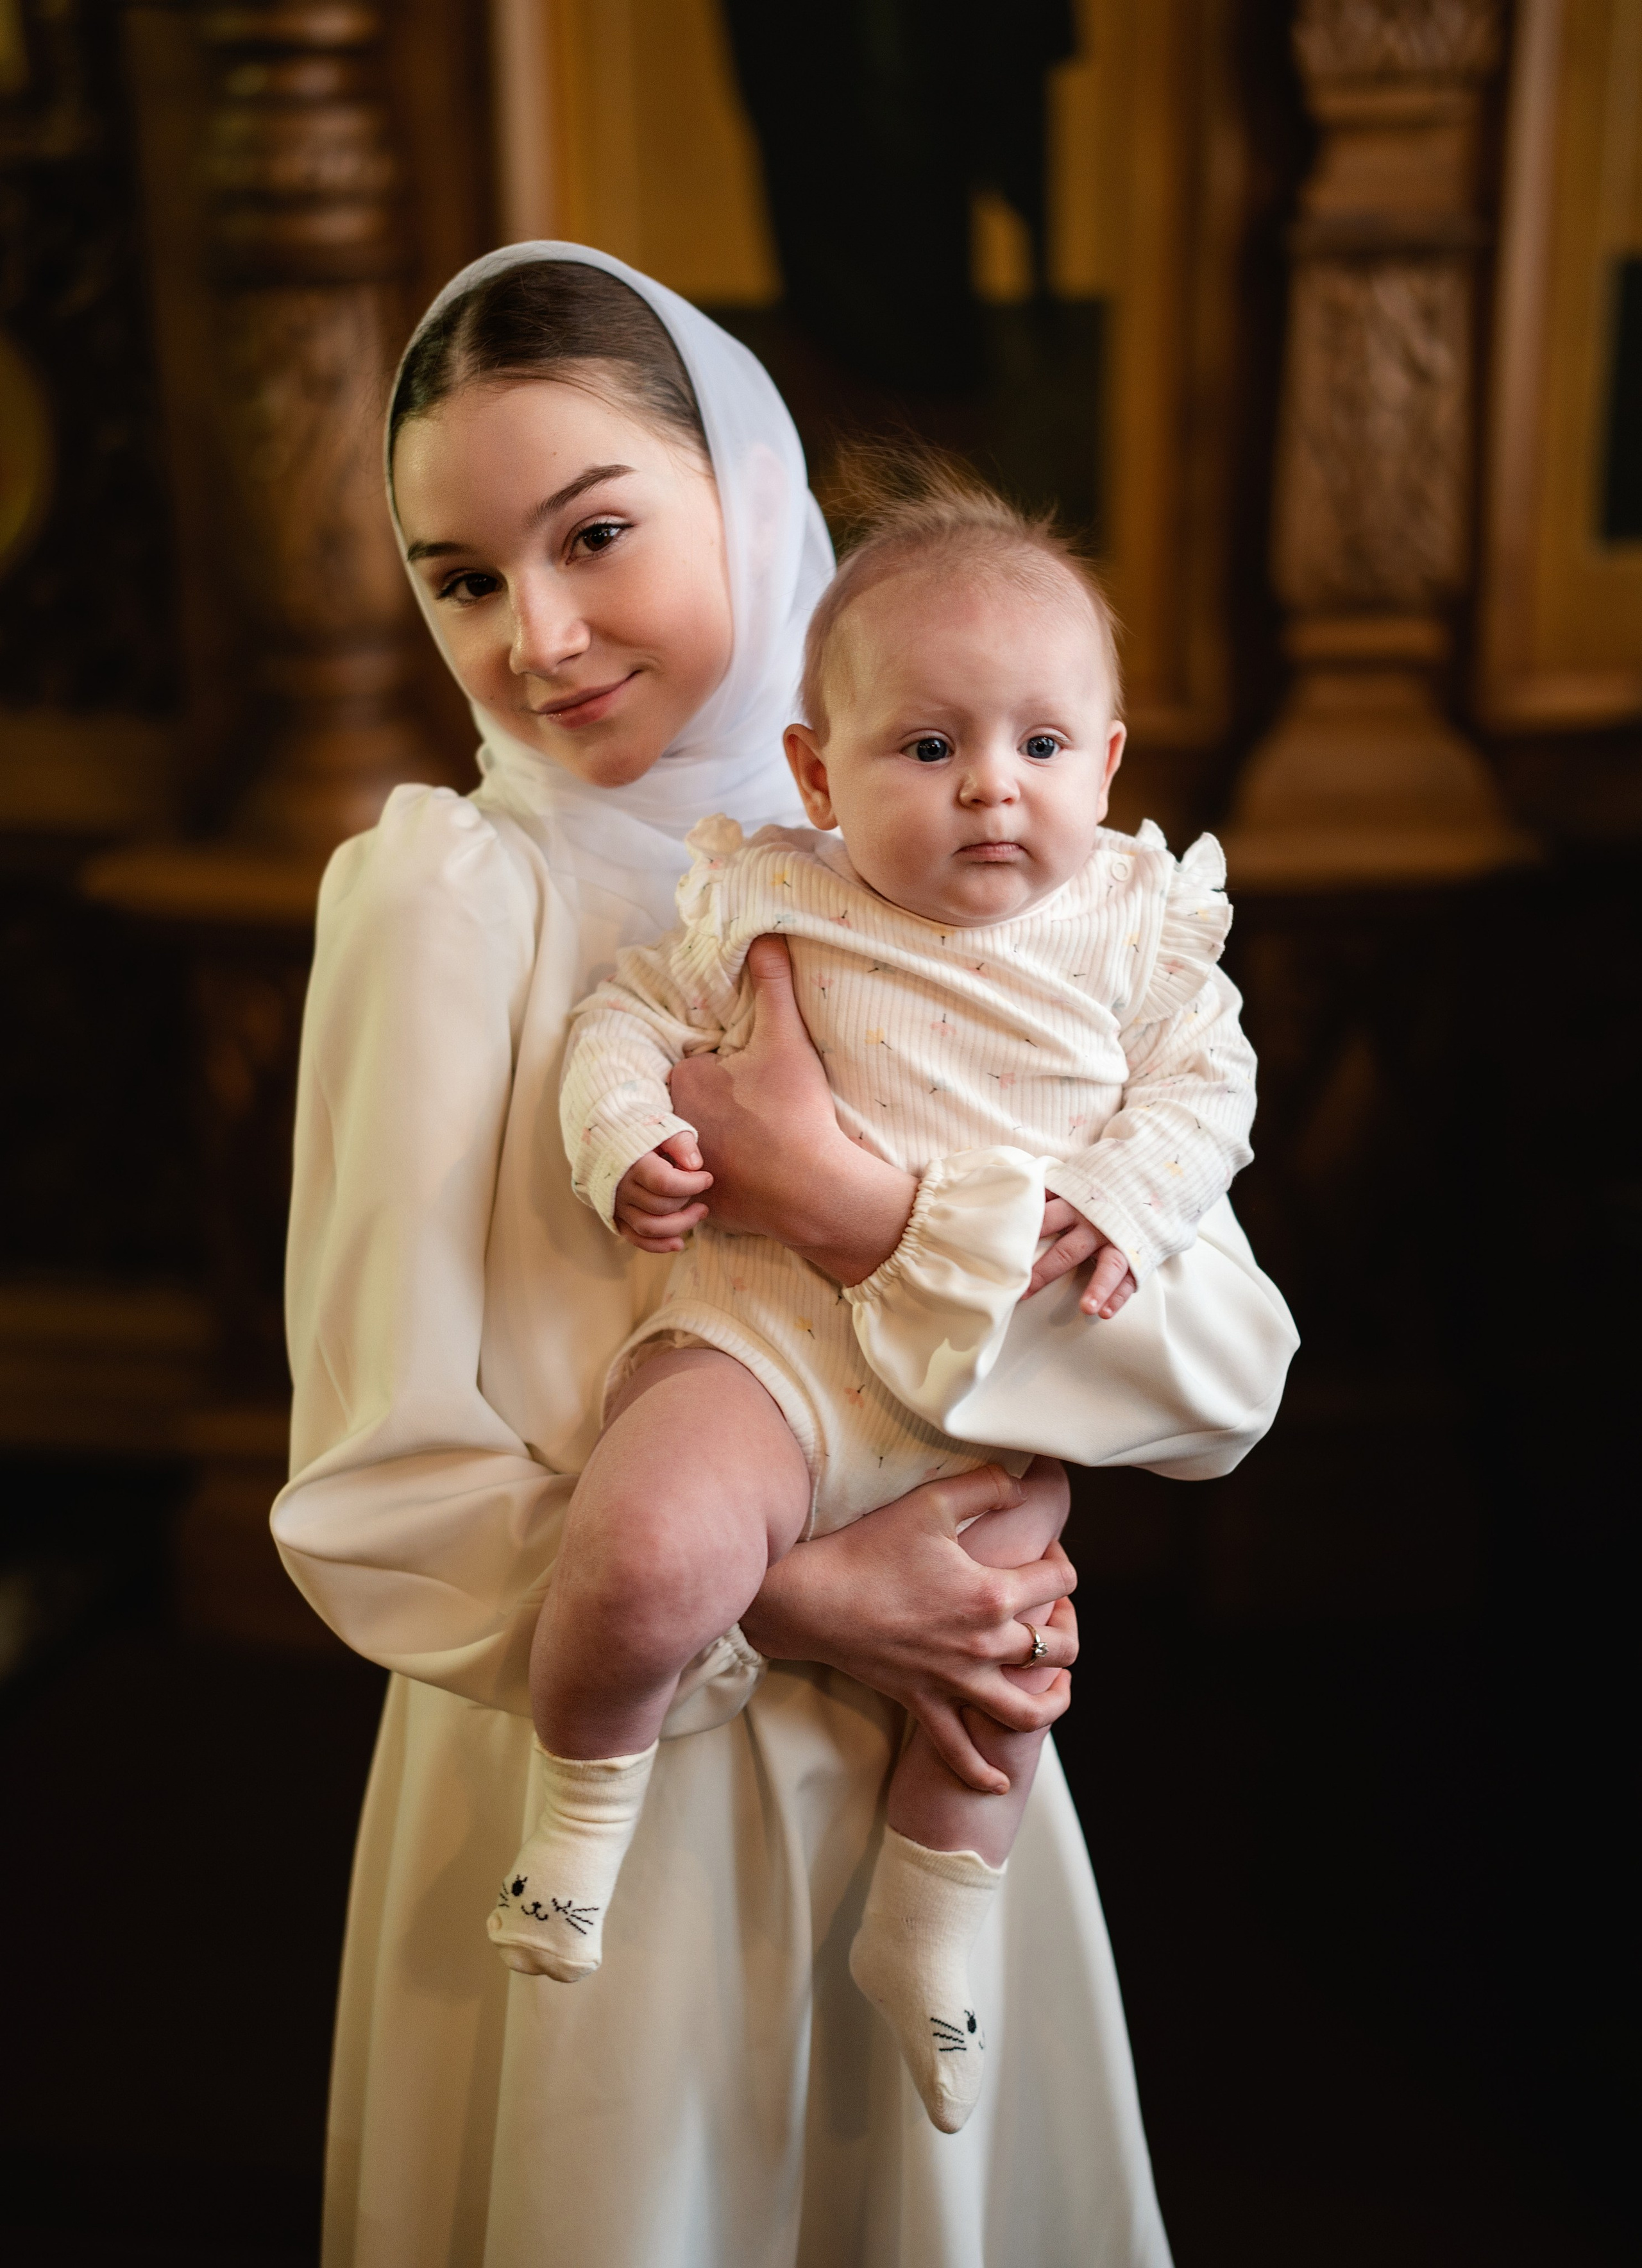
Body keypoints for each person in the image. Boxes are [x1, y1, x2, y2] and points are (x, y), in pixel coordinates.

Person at [273, 242, 1298, 2268]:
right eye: (461, 578)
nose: (538, 634)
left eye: (593, 535)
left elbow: (1216, 1375)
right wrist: (820, 1600)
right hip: (612, 1768)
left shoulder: (975, 861)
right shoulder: (447, 901)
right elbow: (382, 1491)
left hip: (934, 1762)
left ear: (745, 502)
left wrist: (862, 1207)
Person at [496, 458, 1259, 2146]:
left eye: (1042, 747)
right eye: (928, 748)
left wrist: (1136, 1189)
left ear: (1109, 762)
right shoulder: (775, 900)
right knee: (641, 1550)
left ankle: (935, 1928)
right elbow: (623, 1024)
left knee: (1005, 1672)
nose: (993, 790)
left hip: (978, 1401)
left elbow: (1209, 1092)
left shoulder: (1133, 934)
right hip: (769, 1354)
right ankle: (574, 1824)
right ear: (818, 773)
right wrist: (622, 1130)